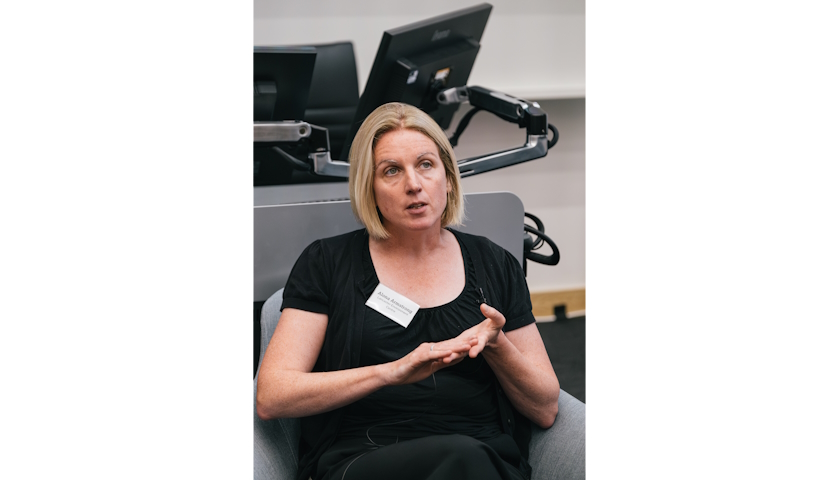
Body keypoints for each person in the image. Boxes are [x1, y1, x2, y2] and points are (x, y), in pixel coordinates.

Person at [256, 102, 560, 480]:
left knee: (468, 458)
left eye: (426, 165)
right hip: (365, 456)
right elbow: (273, 395)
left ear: (448, 178)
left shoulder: (495, 263)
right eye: (392, 170)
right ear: (369, 188)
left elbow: (545, 408)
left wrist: (497, 346)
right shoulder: (327, 263)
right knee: (464, 458)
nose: (413, 184)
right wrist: (391, 372)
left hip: (483, 456)